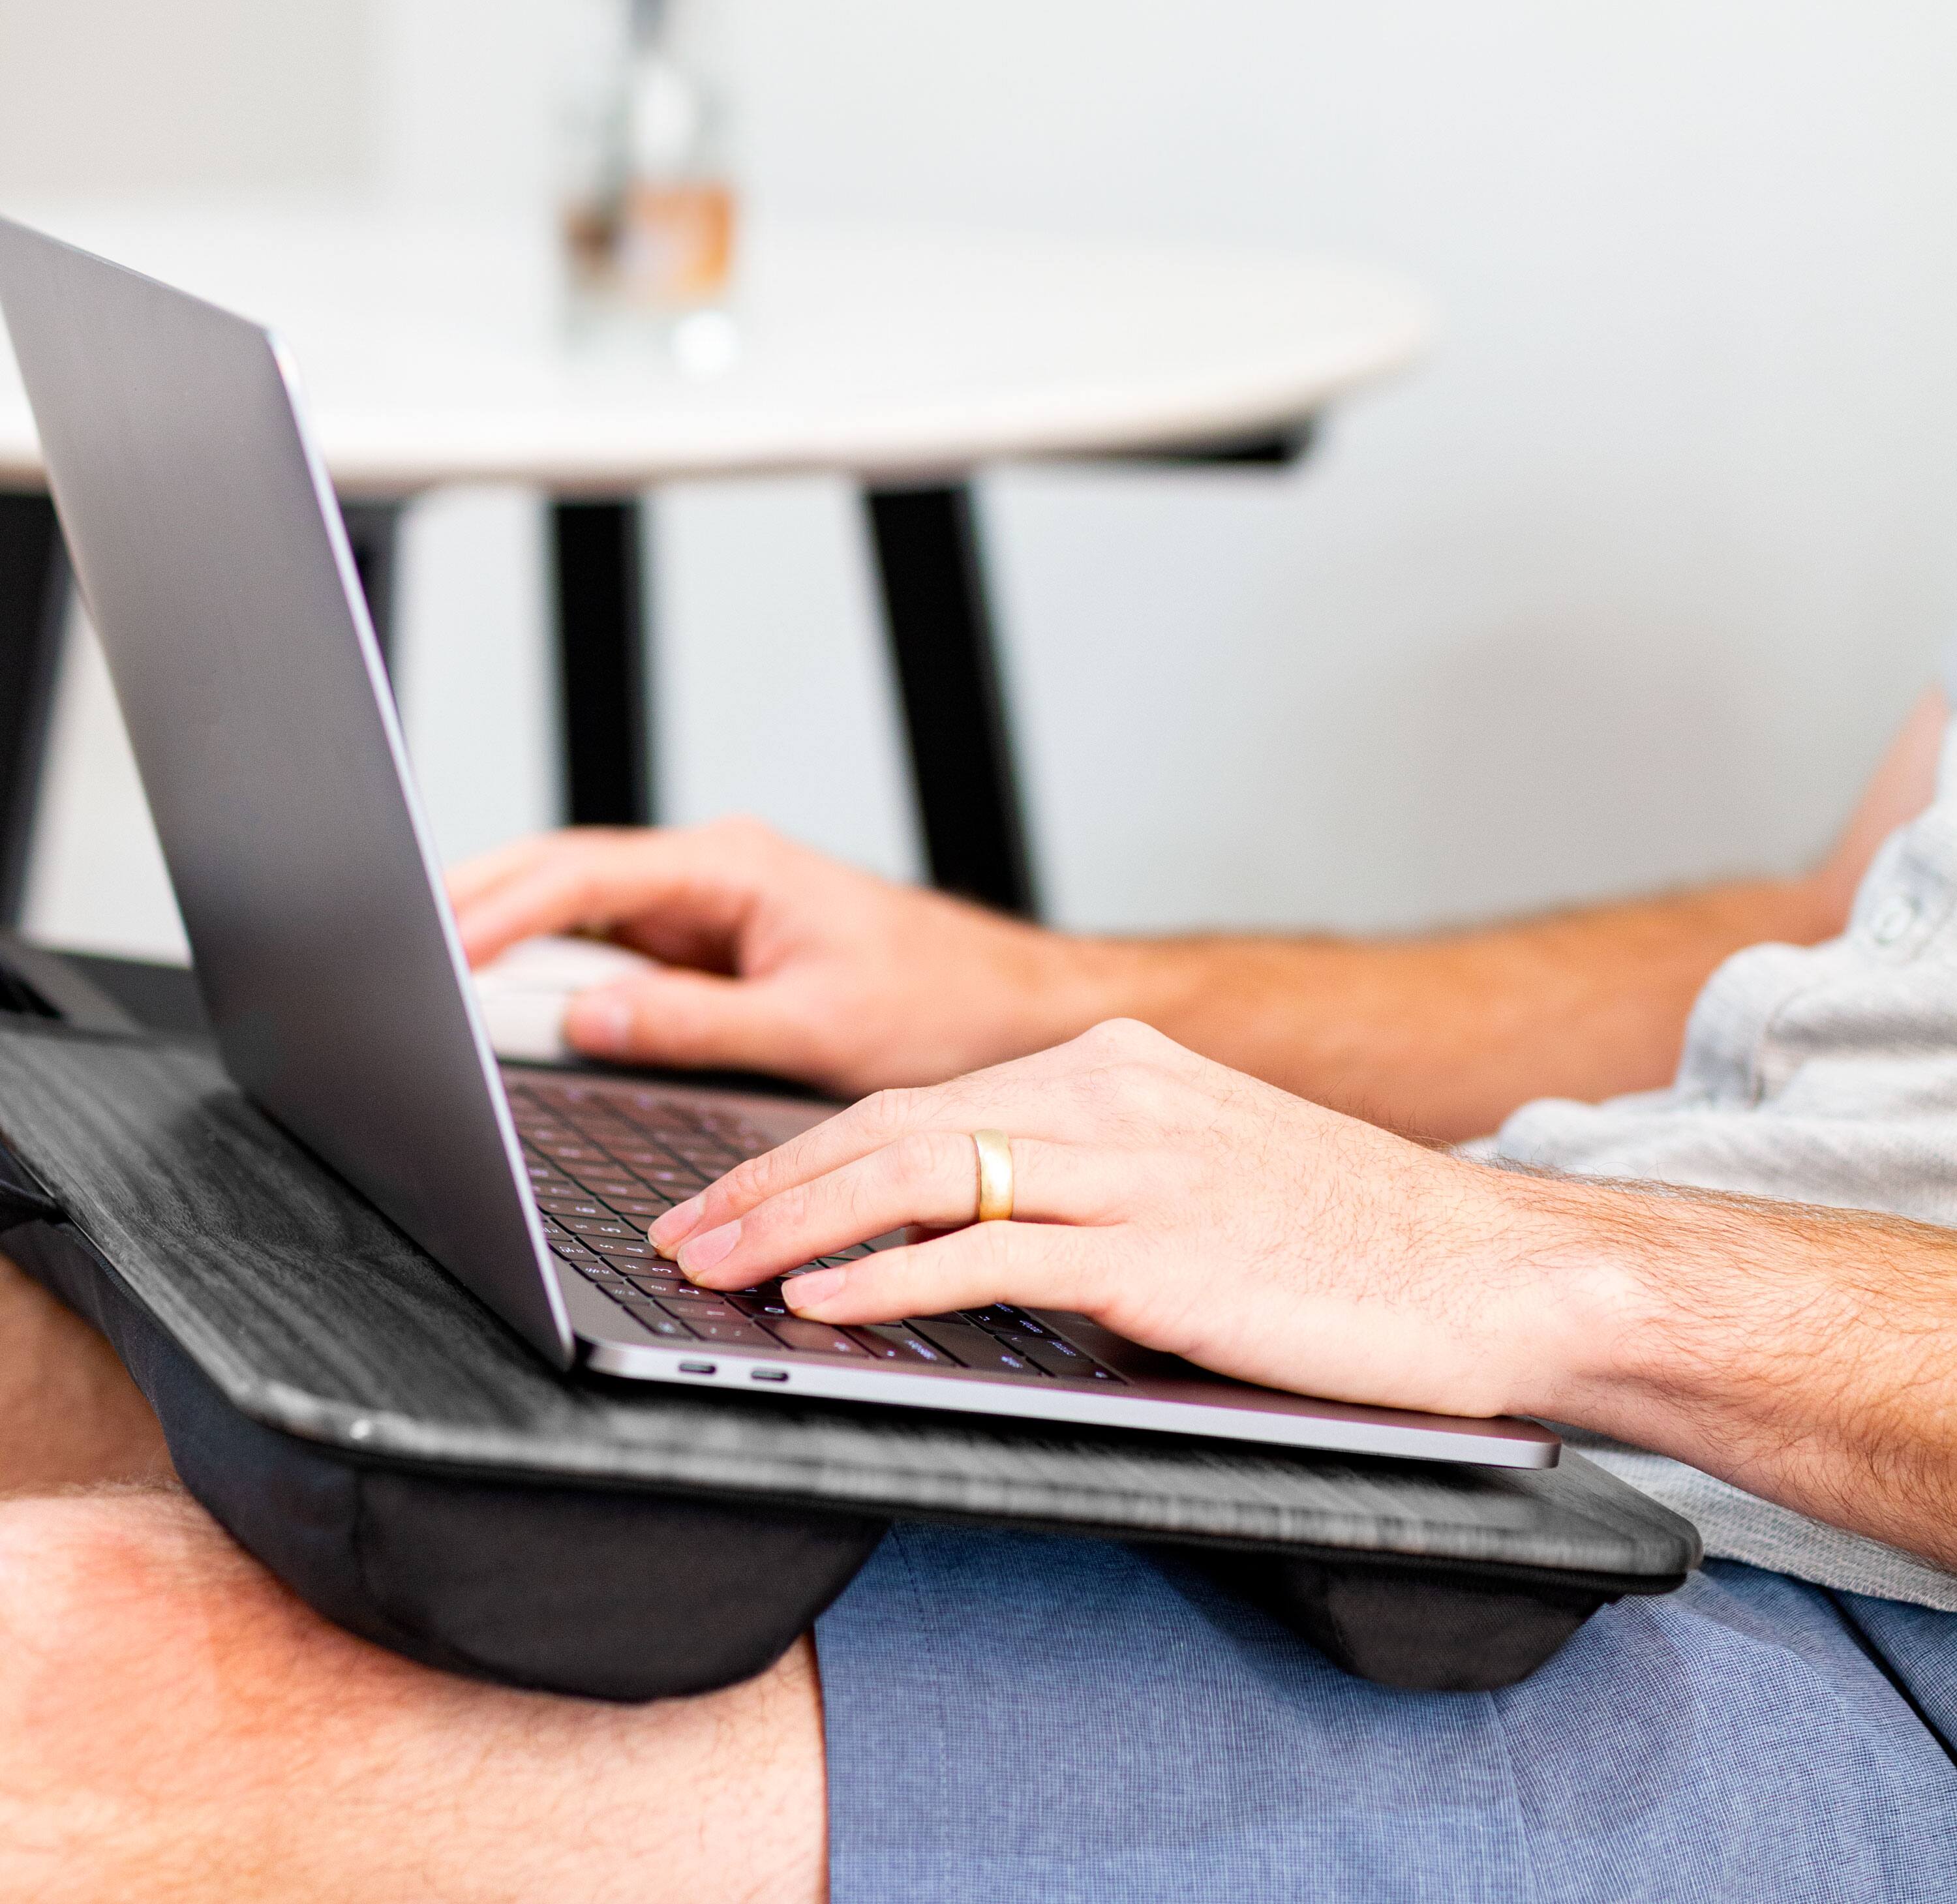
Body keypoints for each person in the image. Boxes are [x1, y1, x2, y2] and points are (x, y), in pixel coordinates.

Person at [5, 679, 1957, 1901]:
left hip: (1859, 1606)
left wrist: (1542, 1270)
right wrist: (1017, 995)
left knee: (88, 1703)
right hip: (1593, 1403)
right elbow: (1833, 951)